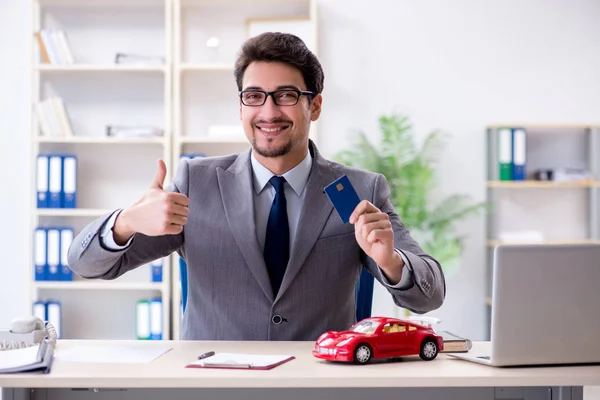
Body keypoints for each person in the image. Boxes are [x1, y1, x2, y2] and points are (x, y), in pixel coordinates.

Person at [68, 32, 445, 341]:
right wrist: (125, 223)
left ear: (314, 107)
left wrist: (391, 262)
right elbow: (85, 265)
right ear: (241, 107)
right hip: (215, 386)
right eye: (254, 97)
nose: (268, 112)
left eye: (286, 95)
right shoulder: (195, 184)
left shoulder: (358, 190)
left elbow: (430, 295)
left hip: (318, 386)